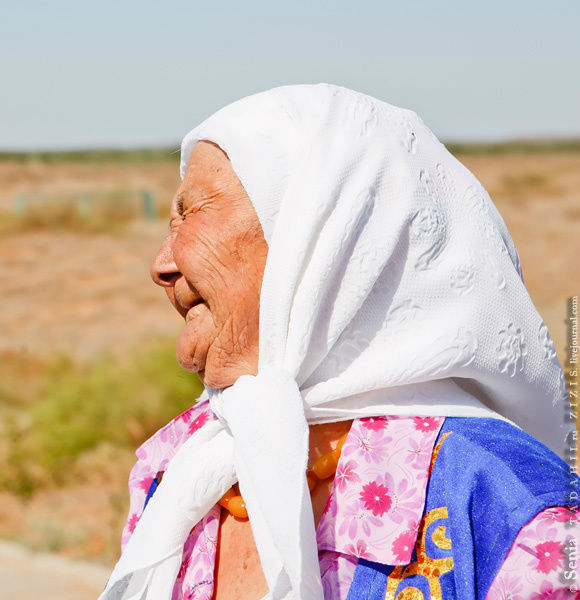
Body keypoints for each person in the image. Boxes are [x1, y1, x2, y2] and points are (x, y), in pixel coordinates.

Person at [100, 84, 578, 600]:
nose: (161, 265)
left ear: (318, 242)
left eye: (190, 215)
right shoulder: (178, 462)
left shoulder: (512, 514)